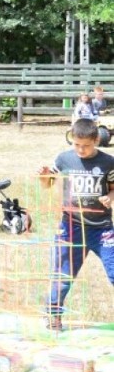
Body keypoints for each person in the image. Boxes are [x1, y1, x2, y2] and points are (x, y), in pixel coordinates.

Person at [39, 116, 114, 330]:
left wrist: (110, 197)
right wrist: (44, 176)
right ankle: (53, 316)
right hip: (71, 227)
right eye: (77, 145)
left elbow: (113, 187)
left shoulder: (108, 162)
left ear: (96, 141)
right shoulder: (64, 159)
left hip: (102, 229)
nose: (81, 150)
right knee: (63, 275)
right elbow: (47, 184)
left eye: (86, 146)